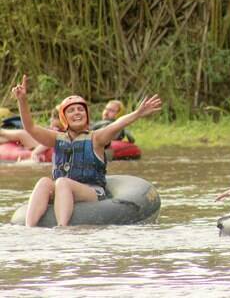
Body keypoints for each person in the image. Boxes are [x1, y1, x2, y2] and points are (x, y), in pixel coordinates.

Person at [11, 74, 162, 227]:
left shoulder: (96, 138)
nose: (77, 112)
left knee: (62, 183)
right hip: (63, 190)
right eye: (71, 111)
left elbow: (116, 125)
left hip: (92, 192)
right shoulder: (56, 138)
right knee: (44, 182)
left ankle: (62, 228)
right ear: (64, 118)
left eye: (80, 110)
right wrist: (22, 100)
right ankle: (29, 228)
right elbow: (30, 127)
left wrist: (137, 113)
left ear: (87, 115)